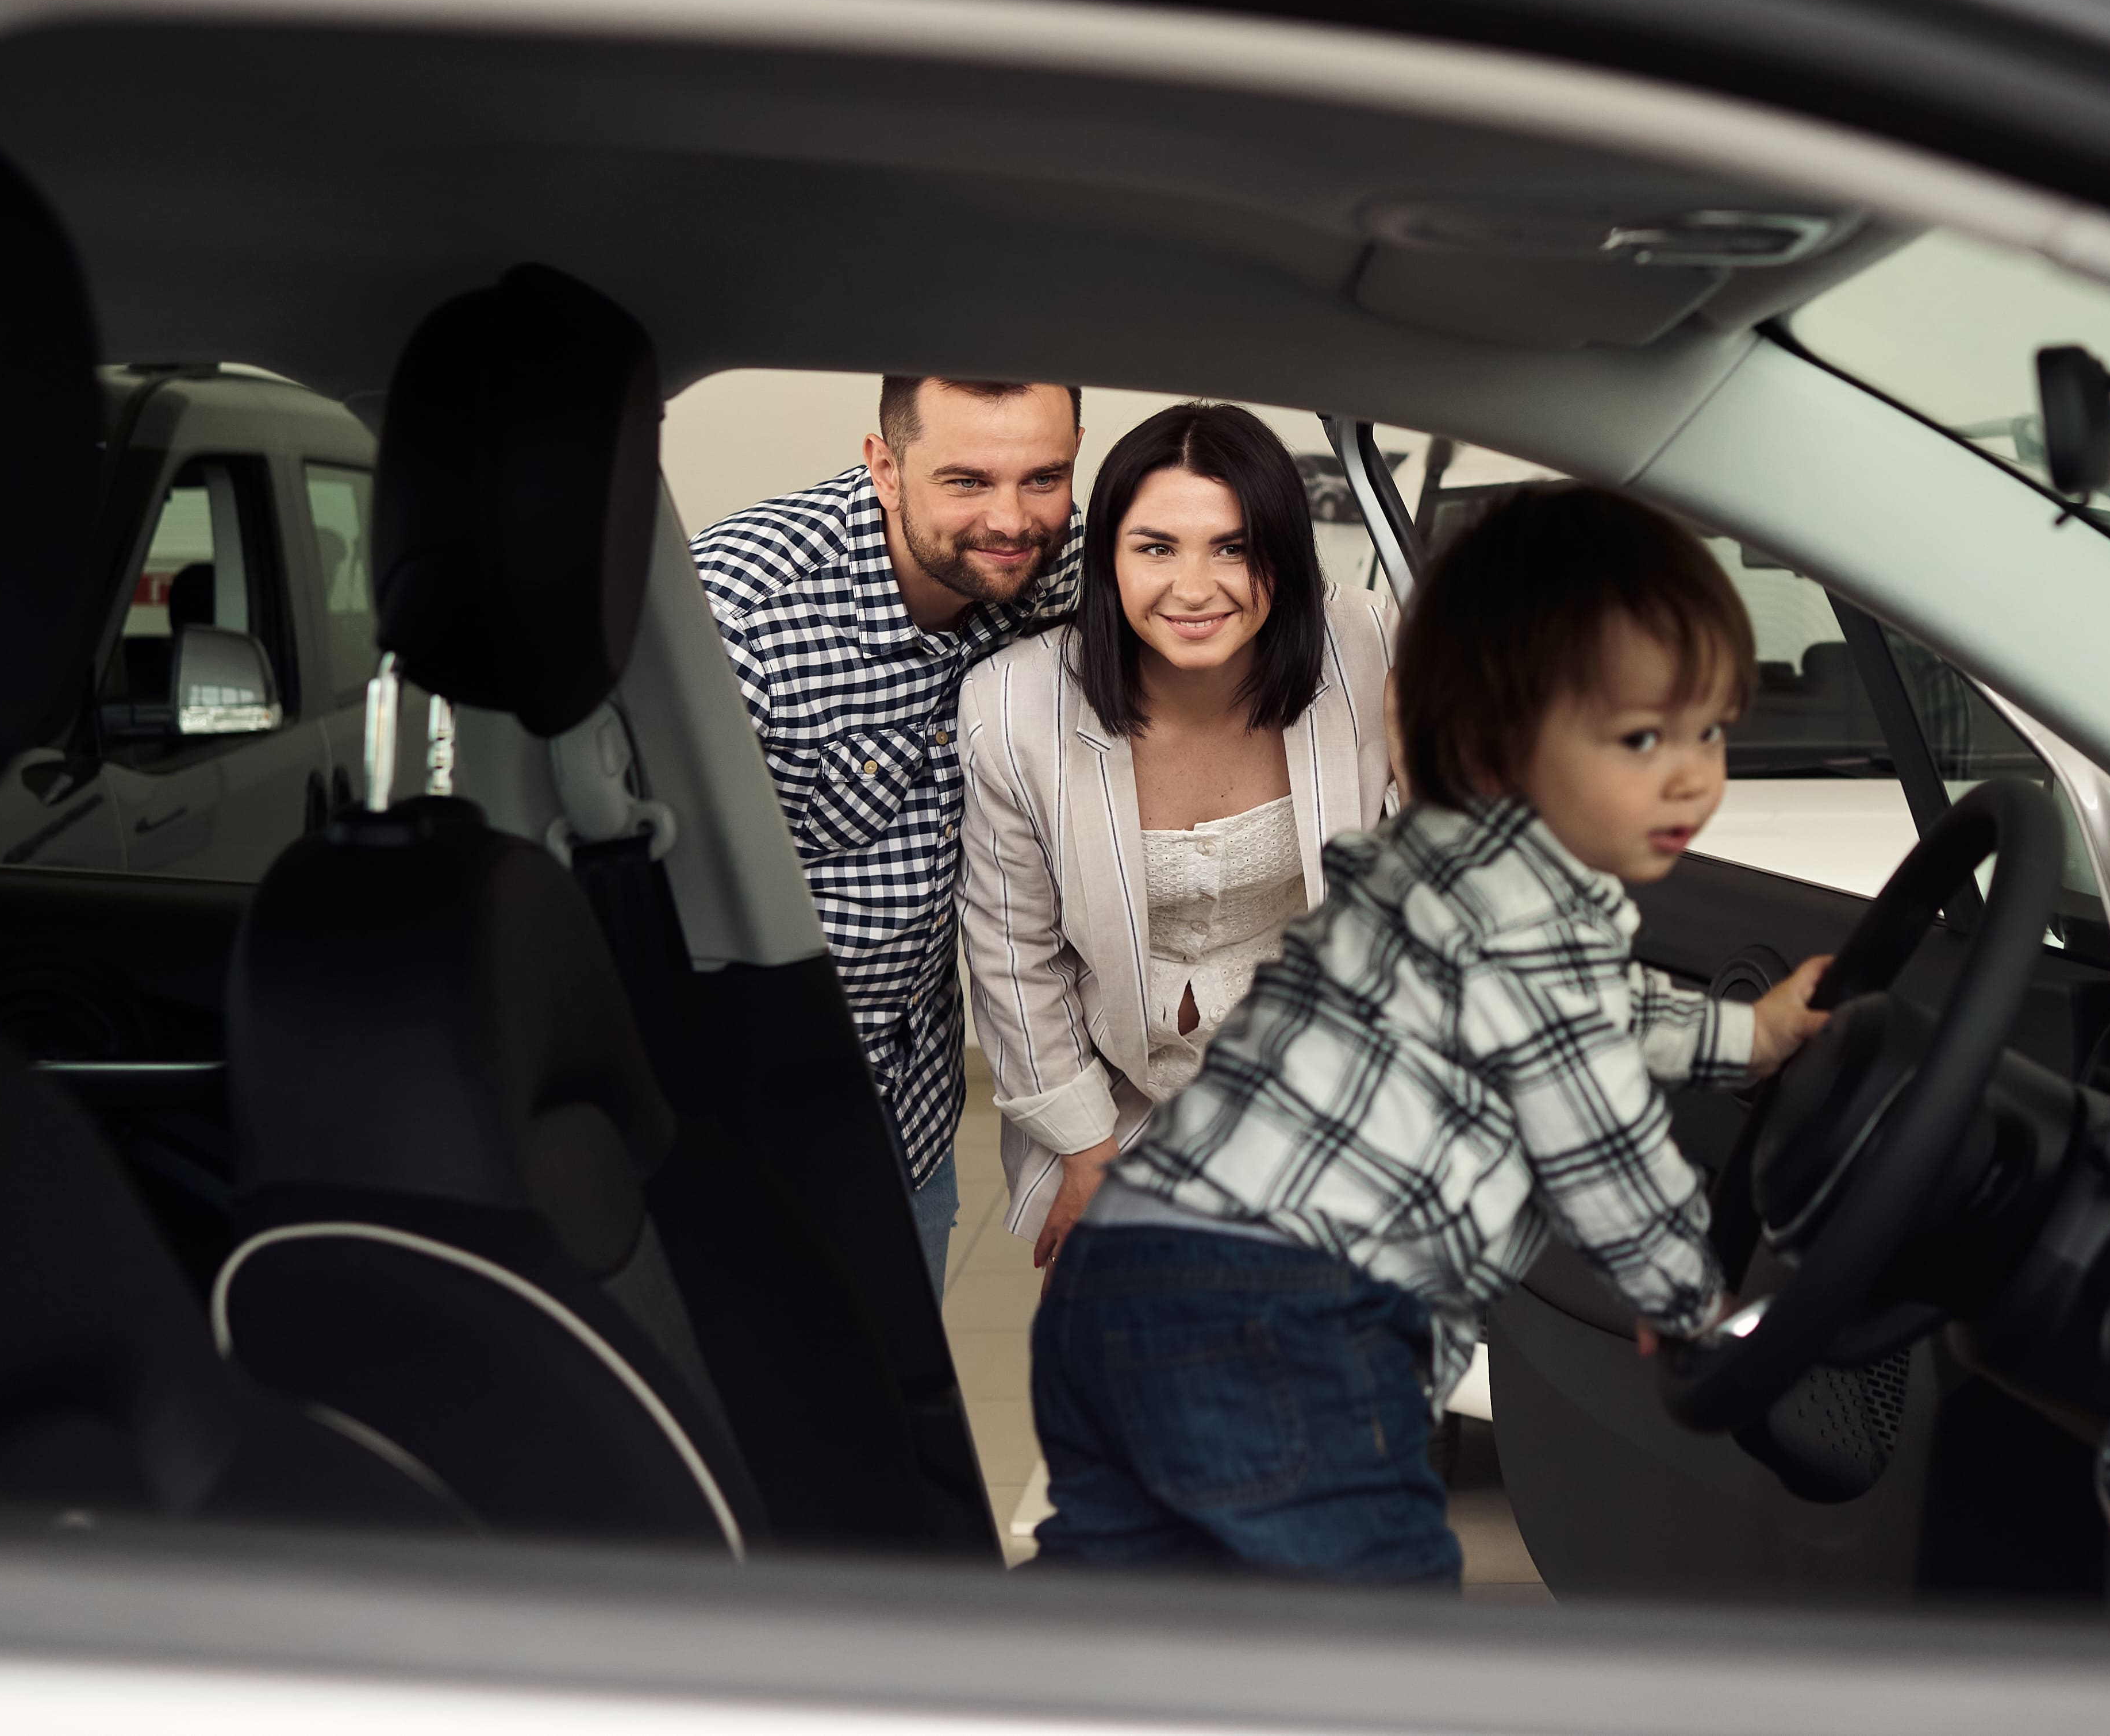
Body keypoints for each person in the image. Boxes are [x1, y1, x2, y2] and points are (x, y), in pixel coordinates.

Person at [1026, 484, 1835, 1583]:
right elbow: (1600, 1138)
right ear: (1495, 750)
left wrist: (1750, 1036)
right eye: (1642, 737)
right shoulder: (1530, 919)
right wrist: (1686, 1300)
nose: (1693, 773)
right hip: (1280, 1323)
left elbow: (1594, 1015)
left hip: (1130, 1276)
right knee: (1370, 1614)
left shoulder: (1438, 882)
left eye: (1710, 731)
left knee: (1135, 1580)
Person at [958, 403, 1396, 1271]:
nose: (1194, 589)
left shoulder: (1370, 640)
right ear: (1107, 558)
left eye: (1233, 547)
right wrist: (1088, 1154)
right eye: (1155, 548)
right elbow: (1014, 956)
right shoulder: (1013, 702)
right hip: (1118, 1098)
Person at [692, 376, 1083, 1295]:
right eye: (966, 482)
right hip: (746, 1118)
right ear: (884, 468)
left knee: (899, 1416)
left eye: (1044, 477)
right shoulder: (743, 620)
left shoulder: (1059, 561)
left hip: (910, 1111)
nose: (1010, 519)